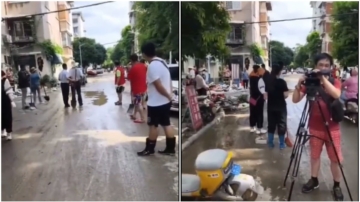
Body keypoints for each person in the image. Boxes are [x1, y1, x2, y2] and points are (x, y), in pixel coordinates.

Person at [292, 53, 344, 200]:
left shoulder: (335, 81)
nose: (323, 68)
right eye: (320, 65)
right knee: (314, 156)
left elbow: (336, 94)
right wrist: (299, 85)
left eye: (326, 65)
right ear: (315, 66)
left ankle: (336, 185)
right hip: (314, 127)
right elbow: (295, 100)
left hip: (332, 128)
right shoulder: (310, 81)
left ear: (331, 67)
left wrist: (322, 79)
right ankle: (314, 180)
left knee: (335, 159)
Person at [137, 42, 175, 156]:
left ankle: (150, 148)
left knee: (153, 125)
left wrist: (168, 96)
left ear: (144, 54)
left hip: (156, 103)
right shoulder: (162, 62)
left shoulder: (152, 66)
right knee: (166, 123)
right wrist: (170, 95)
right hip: (165, 102)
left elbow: (158, 86)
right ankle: (170, 149)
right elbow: (168, 81)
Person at [266, 64, 289, 149]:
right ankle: (282, 144)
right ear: (279, 72)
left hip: (270, 106)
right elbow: (286, 95)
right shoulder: (282, 82)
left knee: (271, 124)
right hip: (281, 107)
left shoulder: (268, 82)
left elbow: (266, 95)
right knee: (281, 124)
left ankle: (270, 143)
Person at [128, 54, 147, 123]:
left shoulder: (133, 68)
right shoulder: (143, 66)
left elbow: (129, 78)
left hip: (136, 89)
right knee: (136, 102)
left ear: (131, 60)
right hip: (143, 88)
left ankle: (142, 118)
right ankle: (134, 115)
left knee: (138, 104)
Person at [249, 64, 266, 134]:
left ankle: (252, 127)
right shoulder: (260, 78)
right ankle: (260, 128)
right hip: (259, 98)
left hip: (252, 97)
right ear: (258, 70)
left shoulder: (251, 76)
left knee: (252, 112)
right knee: (259, 112)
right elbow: (262, 89)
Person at [2, 70, 16, 140]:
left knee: (7, 117)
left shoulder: (5, 81)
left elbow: (9, 91)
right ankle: (2, 130)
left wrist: (12, 100)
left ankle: (9, 132)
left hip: (5, 102)